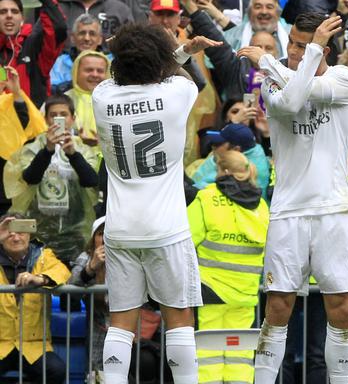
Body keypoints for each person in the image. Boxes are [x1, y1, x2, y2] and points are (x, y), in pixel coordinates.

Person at [236, 13, 348, 384]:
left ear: (323, 49)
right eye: (290, 41)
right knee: (277, 307)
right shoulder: (271, 84)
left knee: (341, 309)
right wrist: (278, 64)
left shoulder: (345, 78)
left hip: (334, 209)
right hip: (288, 209)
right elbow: (289, 104)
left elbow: (307, 90)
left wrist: (268, 61)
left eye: (300, 44)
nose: (291, 50)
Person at [91, 23, 219, 384]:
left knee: (121, 322)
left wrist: (141, 52)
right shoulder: (179, 91)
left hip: (120, 229)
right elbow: (169, 74)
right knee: (178, 318)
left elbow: (135, 74)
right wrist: (181, 50)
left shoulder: (102, 97)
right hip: (166, 229)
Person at [187, 150, 270, 384]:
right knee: (240, 358)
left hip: (210, 291)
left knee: (208, 356)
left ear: (222, 171)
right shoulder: (261, 206)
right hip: (245, 294)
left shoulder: (206, 198)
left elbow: (186, 241)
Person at [2, 94, 100, 262]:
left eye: (63, 114)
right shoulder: (32, 148)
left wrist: (73, 155)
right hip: (38, 231)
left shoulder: (83, 149)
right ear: (45, 118)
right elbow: (30, 178)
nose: (58, 119)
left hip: (75, 230)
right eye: (53, 115)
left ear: (72, 118)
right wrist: (47, 150)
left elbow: (91, 181)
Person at [0, 214, 71, 382]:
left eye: (21, 231)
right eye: (9, 232)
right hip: (1, 344)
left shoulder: (43, 256)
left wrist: (41, 278)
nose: (15, 237)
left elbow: (62, 271)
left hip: (34, 346)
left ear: (30, 234)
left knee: (57, 371)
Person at [0, 0, 68, 106]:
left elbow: (59, 28)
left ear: (22, 19)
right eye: (3, 12)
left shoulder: (34, 47)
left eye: (14, 11)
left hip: (32, 125)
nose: (9, 15)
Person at [70, 217, 108, 377]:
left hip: (129, 325)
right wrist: (91, 267)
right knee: (97, 370)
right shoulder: (86, 257)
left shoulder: (131, 258)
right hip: (98, 325)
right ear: (93, 239)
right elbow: (71, 285)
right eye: (101, 234)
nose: (106, 238)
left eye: (111, 233)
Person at [192, 122, 272, 195]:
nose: (213, 146)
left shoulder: (244, 172)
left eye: (218, 144)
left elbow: (198, 190)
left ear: (236, 150)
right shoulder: (252, 153)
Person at [51, 15, 107, 95]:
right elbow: (53, 92)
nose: (86, 38)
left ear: (100, 39)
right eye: (82, 33)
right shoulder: (59, 63)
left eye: (92, 34)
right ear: (72, 38)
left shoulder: (111, 62)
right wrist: (79, 81)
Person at [222, 0, 291, 54]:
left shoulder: (291, 34)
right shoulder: (230, 37)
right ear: (249, 13)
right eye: (258, 7)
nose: (264, 12)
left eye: (269, 7)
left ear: (278, 13)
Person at [65, 50, 111, 144]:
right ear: (76, 72)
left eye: (100, 71)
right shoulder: (61, 101)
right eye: (89, 70)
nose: (95, 75)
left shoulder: (117, 102)